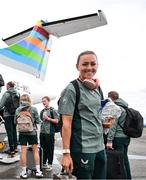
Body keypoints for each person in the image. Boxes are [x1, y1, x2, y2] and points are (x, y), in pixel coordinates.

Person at [58, 50, 113, 179]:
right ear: (77, 66)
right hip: (82, 149)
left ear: (97, 66)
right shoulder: (71, 89)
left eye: (93, 64)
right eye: (85, 64)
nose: (89, 68)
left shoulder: (98, 88)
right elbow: (66, 124)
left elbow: (95, 114)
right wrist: (66, 154)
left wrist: (104, 124)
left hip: (100, 147)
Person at [15, 94, 43, 179]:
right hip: (32, 132)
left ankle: (24, 172)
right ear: (29, 100)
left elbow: (14, 122)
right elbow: (38, 121)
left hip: (22, 133)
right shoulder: (33, 109)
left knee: (23, 152)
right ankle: (38, 171)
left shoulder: (18, 110)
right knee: (35, 151)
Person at [106, 91, 132, 179]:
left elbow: (113, 126)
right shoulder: (125, 107)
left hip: (118, 138)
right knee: (125, 159)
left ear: (110, 98)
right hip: (126, 137)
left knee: (120, 162)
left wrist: (109, 140)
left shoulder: (116, 109)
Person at [40, 96, 59, 170]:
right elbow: (41, 120)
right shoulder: (42, 111)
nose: (43, 102)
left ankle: (50, 164)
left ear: (48, 101)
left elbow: (57, 121)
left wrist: (48, 119)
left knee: (50, 148)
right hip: (42, 132)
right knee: (43, 148)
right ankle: (44, 163)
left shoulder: (53, 110)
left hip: (50, 132)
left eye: (44, 101)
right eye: (42, 101)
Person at [0, 81, 19, 156]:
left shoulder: (6, 94)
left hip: (7, 115)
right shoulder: (17, 93)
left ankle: (11, 149)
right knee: (14, 131)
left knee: (9, 132)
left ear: (8, 86)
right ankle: (15, 147)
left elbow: (1, 105)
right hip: (15, 115)